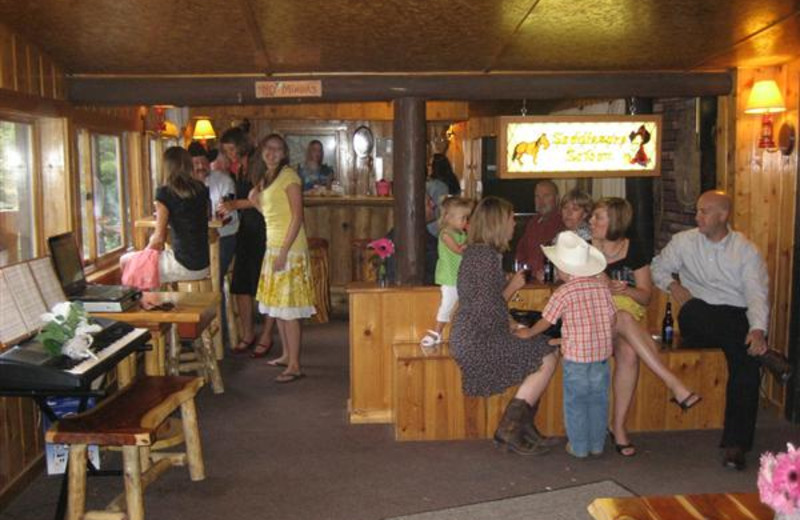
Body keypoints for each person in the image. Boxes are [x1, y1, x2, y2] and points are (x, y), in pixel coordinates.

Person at [650, 190, 769, 470]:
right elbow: (658, 267)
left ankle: (735, 445)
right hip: (697, 314)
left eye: (704, 211)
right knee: (696, 311)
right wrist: (673, 285)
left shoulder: (745, 250)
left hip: (735, 315)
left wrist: (758, 330)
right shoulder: (684, 241)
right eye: (698, 211)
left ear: (723, 215)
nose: (697, 217)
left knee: (746, 362)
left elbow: (756, 294)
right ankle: (763, 354)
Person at [590, 197, 700, 457]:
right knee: (625, 319)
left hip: (625, 318)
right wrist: (597, 273)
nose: (591, 221)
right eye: (593, 217)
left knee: (628, 352)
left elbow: (646, 297)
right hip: (593, 318)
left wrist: (625, 289)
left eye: (598, 217)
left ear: (615, 222)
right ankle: (673, 383)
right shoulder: (585, 248)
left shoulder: (635, 249)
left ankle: (618, 428)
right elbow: (564, 275)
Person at [449, 196, 558, 455]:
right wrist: (513, 289)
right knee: (546, 354)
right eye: (510, 219)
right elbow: (486, 307)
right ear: (497, 223)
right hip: (477, 340)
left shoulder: (481, 254)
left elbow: (484, 303)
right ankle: (510, 429)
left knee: (547, 349)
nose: (514, 223)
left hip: (475, 333)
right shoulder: (485, 257)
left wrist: (512, 324)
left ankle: (523, 428)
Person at [521, 231, 615, 458]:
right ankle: (597, 445)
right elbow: (613, 318)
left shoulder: (563, 292)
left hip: (576, 358)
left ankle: (579, 446)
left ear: (564, 269)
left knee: (575, 402)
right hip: (601, 356)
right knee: (598, 401)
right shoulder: (602, 288)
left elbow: (547, 320)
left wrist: (530, 332)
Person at [250, 134, 316, 383]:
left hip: (289, 249)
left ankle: (295, 365)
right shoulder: (267, 178)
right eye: (268, 148)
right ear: (262, 151)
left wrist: (284, 252)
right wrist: (255, 202)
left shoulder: (289, 176)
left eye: (278, 149)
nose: (272, 153)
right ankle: (287, 355)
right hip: (274, 245)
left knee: (288, 310)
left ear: (284, 153)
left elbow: (297, 217)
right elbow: (272, 213)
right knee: (278, 308)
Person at [217, 127, 274, 357]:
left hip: (262, 228)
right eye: (226, 150)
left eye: (231, 148)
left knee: (266, 286)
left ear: (241, 145)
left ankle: (267, 336)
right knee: (242, 284)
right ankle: (248, 333)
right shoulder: (235, 168)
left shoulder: (256, 166)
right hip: (243, 230)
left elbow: (262, 199)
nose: (229, 153)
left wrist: (234, 205)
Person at [122, 146, 209, 283]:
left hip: (183, 264)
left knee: (126, 261)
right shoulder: (201, 188)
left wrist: (143, 255)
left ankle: (146, 303)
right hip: (203, 264)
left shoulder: (164, 193)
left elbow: (158, 239)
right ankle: (154, 300)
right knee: (144, 264)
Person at [419, 196, 473, 348]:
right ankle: (437, 332)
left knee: (460, 306)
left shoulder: (462, 234)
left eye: (466, 218)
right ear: (448, 218)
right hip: (449, 276)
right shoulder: (445, 234)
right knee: (447, 304)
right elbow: (458, 250)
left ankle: (457, 333)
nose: (465, 221)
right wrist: (471, 240)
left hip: (460, 276)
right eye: (463, 218)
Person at [514, 180, 564, 281]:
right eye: (537, 196)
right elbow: (520, 252)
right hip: (530, 281)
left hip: (552, 282)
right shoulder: (533, 222)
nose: (541, 201)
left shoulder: (563, 222)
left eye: (546, 196)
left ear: (557, 198)